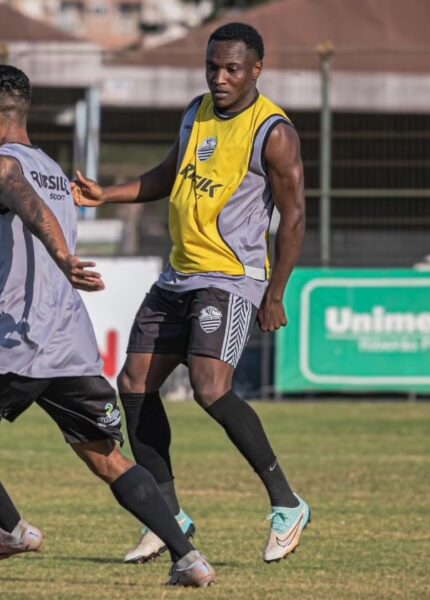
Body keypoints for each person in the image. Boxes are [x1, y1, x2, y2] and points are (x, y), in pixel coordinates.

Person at [0, 64, 216, 588]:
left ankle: (12, 530)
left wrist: (61, 256)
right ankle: (189, 559)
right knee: (108, 459)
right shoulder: (52, 170)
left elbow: (26, 207)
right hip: (70, 346)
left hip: (15, 346)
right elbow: (18, 247)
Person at [72, 22, 310, 565]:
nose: (219, 78)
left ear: (256, 70)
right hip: (178, 274)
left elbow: (295, 216)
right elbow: (170, 174)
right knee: (132, 384)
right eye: (212, 67)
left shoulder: (272, 131)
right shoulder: (196, 112)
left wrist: (276, 293)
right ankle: (168, 518)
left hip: (230, 278)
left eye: (231, 69)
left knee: (209, 387)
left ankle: (287, 503)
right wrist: (109, 193)